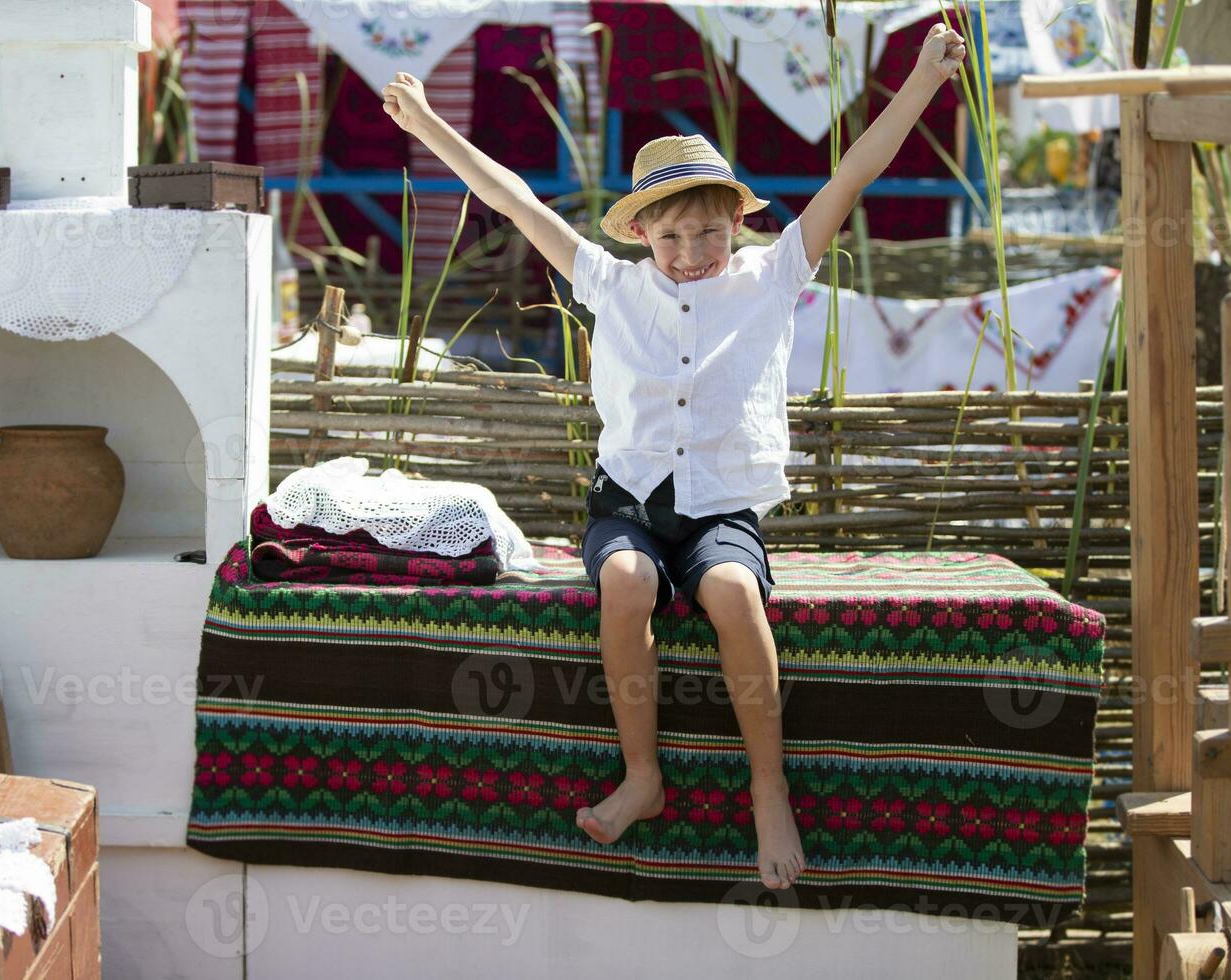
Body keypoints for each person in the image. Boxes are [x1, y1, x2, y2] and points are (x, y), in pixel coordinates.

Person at [381, 23, 967, 891]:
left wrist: (921, 80)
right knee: (626, 583)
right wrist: (427, 124)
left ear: (737, 223)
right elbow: (512, 201)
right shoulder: (610, 285)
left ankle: (769, 786)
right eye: (671, 239)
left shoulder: (772, 277)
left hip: (722, 507)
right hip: (630, 507)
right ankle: (643, 775)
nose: (692, 256)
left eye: (708, 235)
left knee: (731, 591)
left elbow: (856, 172)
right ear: (642, 237)